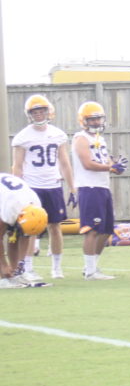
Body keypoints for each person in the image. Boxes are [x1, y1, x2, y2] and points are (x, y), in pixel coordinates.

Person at [11, 94, 74, 281]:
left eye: (41, 111)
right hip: (32, 187)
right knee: (30, 228)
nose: (39, 115)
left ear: (48, 111)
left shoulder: (58, 134)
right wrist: (18, 190)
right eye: (35, 112)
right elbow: (18, 166)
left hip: (53, 185)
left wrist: (72, 186)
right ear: (29, 114)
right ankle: (28, 267)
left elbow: (64, 162)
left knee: (55, 226)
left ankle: (56, 267)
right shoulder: (23, 137)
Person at [71, 101, 127, 280]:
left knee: (106, 230)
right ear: (84, 121)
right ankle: (90, 271)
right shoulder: (81, 138)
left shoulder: (99, 139)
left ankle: (92, 266)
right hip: (89, 187)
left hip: (102, 186)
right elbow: (87, 164)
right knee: (92, 230)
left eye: (98, 119)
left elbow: (103, 161)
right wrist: (109, 168)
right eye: (92, 119)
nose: (96, 122)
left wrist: (115, 165)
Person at [0, 172, 49, 289]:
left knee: (15, 235)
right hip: (6, 198)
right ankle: (3, 277)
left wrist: (19, 266)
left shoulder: (36, 206)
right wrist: (3, 265)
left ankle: (15, 273)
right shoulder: (11, 208)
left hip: (10, 196)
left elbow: (25, 235)